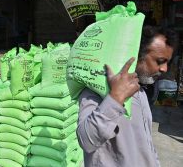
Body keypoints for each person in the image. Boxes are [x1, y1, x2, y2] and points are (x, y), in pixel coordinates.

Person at [76, 25, 178, 167]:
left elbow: (146, 144)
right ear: (137, 55)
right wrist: (115, 98)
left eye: (168, 62)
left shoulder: (140, 91)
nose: (164, 69)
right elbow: (86, 141)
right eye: (160, 61)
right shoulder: (97, 91)